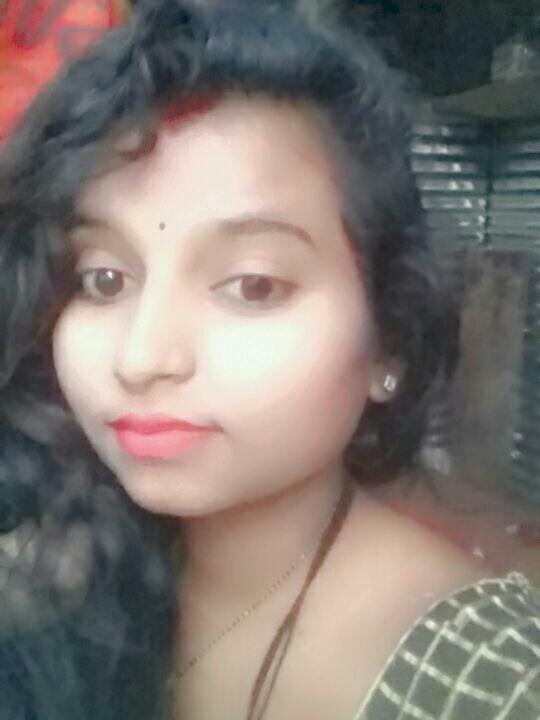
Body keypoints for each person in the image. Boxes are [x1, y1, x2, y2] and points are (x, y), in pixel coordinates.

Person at [0, 1, 539, 719]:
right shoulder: (46, 570)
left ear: (388, 336)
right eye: (102, 279)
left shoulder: (490, 683)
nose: (141, 358)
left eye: (253, 285)